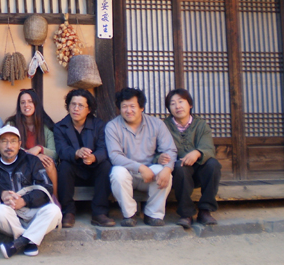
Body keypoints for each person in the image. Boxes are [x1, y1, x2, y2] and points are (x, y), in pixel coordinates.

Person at [0, 126, 62, 259]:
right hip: (10, 213)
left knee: (54, 211)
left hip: (32, 209)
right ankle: (31, 240)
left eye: (13, 141)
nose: (9, 146)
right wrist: (1, 193)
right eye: (4, 141)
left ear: (19, 144)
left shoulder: (32, 161)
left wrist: (24, 200)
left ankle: (19, 243)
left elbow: (46, 187)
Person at [105, 87, 177, 227]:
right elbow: (115, 156)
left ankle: (153, 214)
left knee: (164, 172)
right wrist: (140, 168)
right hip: (128, 174)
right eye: (124, 106)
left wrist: (168, 168)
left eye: (132, 106)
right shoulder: (112, 126)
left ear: (141, 108)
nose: (128, 110)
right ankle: (129, 215)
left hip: (150, 175)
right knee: (117, 172)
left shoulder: (156, 124)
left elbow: (169, 149)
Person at [157, 89, 222, 228]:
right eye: (173, 103)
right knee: (180, 168)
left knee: (213, 164)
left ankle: (205, 210)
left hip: (199, 170)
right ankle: (186, 214)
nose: (177, 106)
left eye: (181, 102)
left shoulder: (201, 125)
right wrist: (159, 157)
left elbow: (208, 148)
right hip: (178, 172)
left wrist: (197, 153)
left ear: (190, 104)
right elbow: (154, 150)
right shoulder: (164, 126)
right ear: (169, 108)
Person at [54, 89, 114, 228]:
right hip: (74, 171)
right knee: (64, 166)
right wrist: (76, 153)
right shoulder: (60, 127)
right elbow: (62, 150)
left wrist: (94, 157)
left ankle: (99, 212)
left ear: (89, 109)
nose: (76, 109)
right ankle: (68, 212)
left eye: (81, 105)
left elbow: (104, 148)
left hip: (94, 168)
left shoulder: (99, 125)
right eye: (73, 104)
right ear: (68, 106)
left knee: (105, 166)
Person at [5, 89, 58, 200]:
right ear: (19, 106)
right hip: (19, 162)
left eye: (30, 101)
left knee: (49, 163)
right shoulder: (12, 124)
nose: (26, 105)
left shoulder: (46, 125)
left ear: (36, 104)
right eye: (22, 102)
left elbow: (54, 153)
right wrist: (32, 154)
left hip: (40, 165)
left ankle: (54, 198)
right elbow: (9, 147)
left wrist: (39, 148)